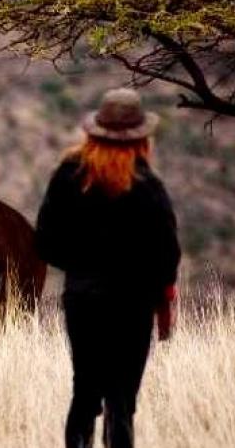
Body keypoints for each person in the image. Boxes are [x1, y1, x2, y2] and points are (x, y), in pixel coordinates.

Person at [34, 88, 180, 448]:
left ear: (92, 133)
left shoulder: (68, 176)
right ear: (141, 139)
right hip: (134, 304)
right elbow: (168, 256)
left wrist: (82, 266)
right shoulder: (149, 187)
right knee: (121, 402)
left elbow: (45, 242)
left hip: (83, 300)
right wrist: (150, 284)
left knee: (84, 392)